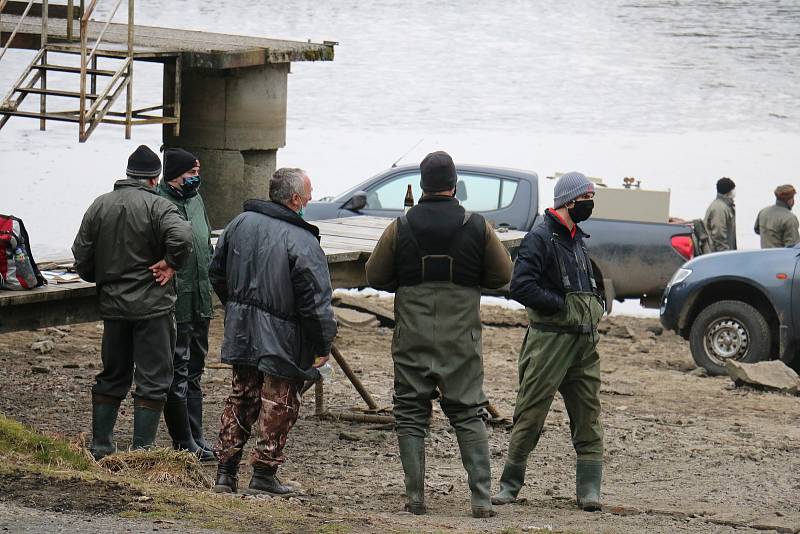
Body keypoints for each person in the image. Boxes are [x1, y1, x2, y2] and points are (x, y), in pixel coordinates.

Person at [366, 151, 513, 518]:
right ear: (454, 185)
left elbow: (375, 276)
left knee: (411, 413)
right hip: (460, 336)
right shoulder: (477, 226)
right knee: (467, 412)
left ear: (421, 184)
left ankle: (415, 499)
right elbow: (502, 276)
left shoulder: (400, 226)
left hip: (412, 332)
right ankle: (480, 500)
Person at [209, 167, 337, 495]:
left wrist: (238, 306)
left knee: (241, 395)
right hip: (283, 335)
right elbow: (315, 301)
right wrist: (322, 342)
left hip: (242, 328)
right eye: (308, 193)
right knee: (279, 401)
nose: (311, 197)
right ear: (295, 199)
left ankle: (225, 473)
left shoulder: (238, 224)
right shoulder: (302, 240)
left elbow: (216, 272)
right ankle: (264, 475)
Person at [491, 172, 605, 512]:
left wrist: (595, 304)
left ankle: (589, 491)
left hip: (584, 343)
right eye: (587, 197)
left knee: (588, 415)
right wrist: (562, 305)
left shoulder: (576, 238)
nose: (591, 203)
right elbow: (520, 287)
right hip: (549, 343)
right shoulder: (540, 237)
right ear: (569, 201)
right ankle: (509, 485)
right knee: (530, 412)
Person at [72, 145, 192, 460]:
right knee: (153, 379)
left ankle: (101, 447)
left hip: (113, 307)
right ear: (155, 179)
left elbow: (81, 253)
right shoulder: (160, 207)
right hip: (153, 308)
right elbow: (183, 237)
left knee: (112, 374)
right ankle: (141, 451)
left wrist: (97, 276)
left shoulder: (100, 205)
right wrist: (170, 263)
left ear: (127, 175)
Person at [157, 148, 215, 462]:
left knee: (195, 370)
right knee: (177, 371)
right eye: (192, 172)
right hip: (175, 303)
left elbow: (205, 245)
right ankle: (183, 442)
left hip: (200, 301)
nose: (196, 177)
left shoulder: (196, 201)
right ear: (176, 174)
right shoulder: (160, 203)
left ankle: (197, 436)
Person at [703, 177, 737, 252]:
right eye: (733, 189)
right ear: (728, 192)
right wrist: (724, 254)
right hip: (717, 254)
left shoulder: (726, 206)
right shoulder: (719, 208)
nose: (734, 192)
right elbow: (719, 234)